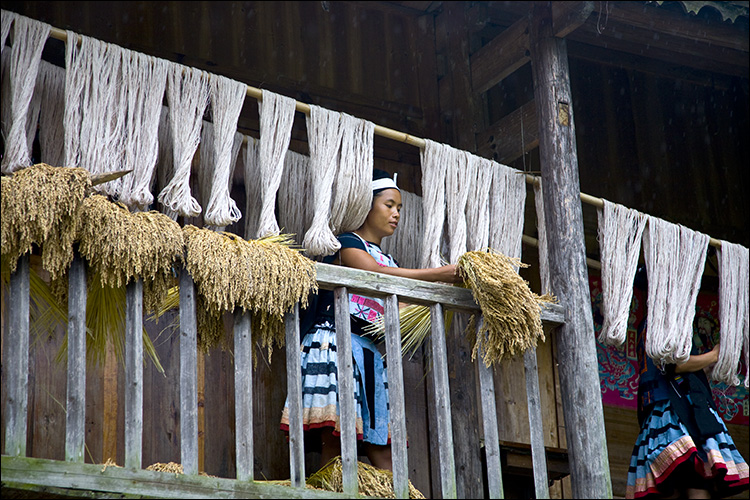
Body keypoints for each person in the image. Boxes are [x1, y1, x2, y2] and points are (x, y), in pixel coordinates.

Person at [279, 168, 461, 472]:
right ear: (367, 206)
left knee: (382, 451)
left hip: (369, 354)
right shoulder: (346, 244)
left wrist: (441, 289)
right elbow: (376, 274)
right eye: (389, 205)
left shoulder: (390, 260)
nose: (396, 214)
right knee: (336, 439)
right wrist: (439, 275)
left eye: (400, 208)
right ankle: (334, 489)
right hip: (336, 343)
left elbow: (400, 304)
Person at [625, 267, 749, 499]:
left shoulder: (652, 321)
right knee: (689, 479)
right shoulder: (662, 321)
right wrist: (714, 355)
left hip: (670, 408)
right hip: (675, 411)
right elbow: (675, 365)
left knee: (681, 481)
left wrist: (706, 364)